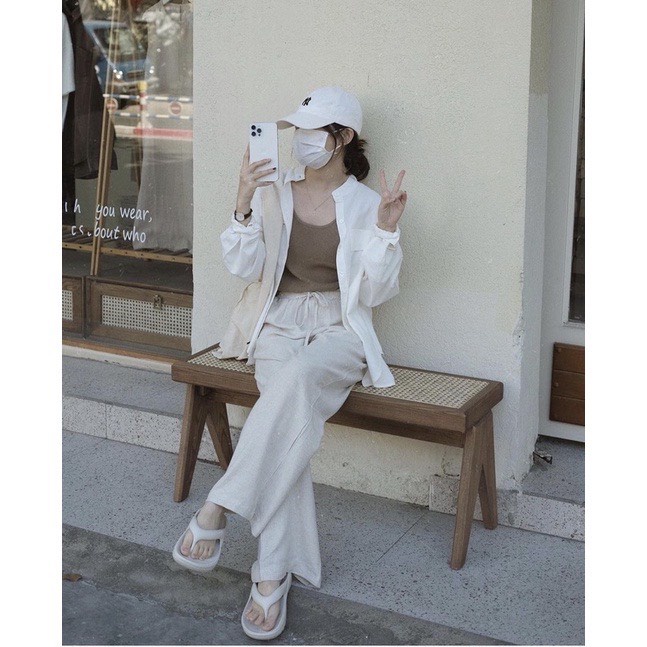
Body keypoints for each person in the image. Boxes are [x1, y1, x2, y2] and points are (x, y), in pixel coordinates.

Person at [172, 86, 407, 640]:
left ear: (342, 138)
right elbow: (244, 266)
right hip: (276, 323)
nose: (300, 140)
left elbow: (376, 292)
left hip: (340, 329)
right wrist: (242, 201)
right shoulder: (274, 191)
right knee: (290, 425)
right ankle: (271, 576)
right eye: (296, 131)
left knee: (292, 388)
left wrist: (387, 230)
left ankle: (218, 507)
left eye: (312, 131)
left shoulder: (366, 203)